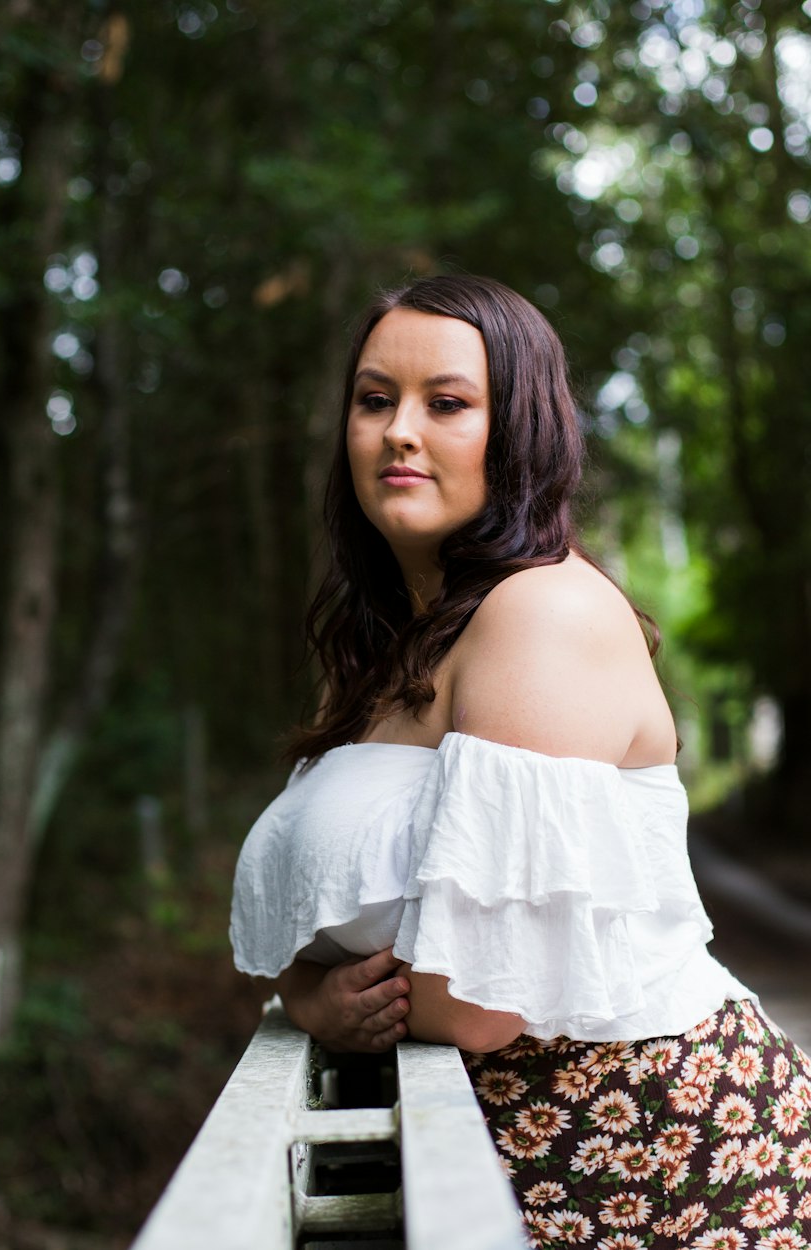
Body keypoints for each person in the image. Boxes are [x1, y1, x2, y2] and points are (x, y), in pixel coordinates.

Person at [230, 274, 811, 1247]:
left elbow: (479, 1000)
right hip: (496, 1152)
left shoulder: (540, 610)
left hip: (645, 1146)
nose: (398, 431)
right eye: (374, 400)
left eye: (446, 403)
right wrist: (311, 994)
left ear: (521, 433)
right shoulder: (383, 653)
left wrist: (312, 994)